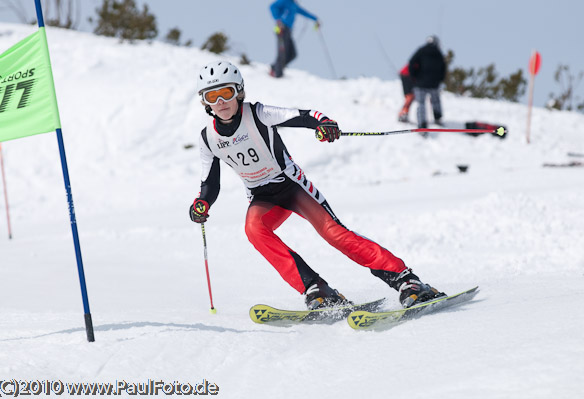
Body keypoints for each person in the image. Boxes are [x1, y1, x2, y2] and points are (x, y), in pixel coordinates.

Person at [190, 61, 443, 310]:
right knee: (254, 229)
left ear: (239, 92)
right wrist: (202, 203)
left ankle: (406, 279)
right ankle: (316, 288)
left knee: (333, 234)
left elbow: (305, 116)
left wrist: (324, 124)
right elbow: (210, 184)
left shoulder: (257, 114)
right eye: (212, 96)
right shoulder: (208, 138)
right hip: (262, 198)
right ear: (205, 102)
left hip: (292, 188)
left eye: (226, 92)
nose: (220, 101)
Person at [269, 0, 319, 78]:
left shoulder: (294, 5)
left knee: (292, 54)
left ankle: (275, 67)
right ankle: (278, 74)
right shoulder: (284, 1)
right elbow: (272, 7)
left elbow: (304, 12)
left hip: (288, 31)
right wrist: (278, 19)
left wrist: (315, 19)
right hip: (281, 29)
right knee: (282, 52)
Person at [408, 35, 446, 131]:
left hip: (420, 83)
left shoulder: (421, 51)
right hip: (434, 84)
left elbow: (411, 63)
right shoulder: (439, 53)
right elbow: (443, 68)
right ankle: (437, 118)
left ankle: (422, 124)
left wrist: (414, 77)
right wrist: (439, 80)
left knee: (421, 103)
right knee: (436, 101)